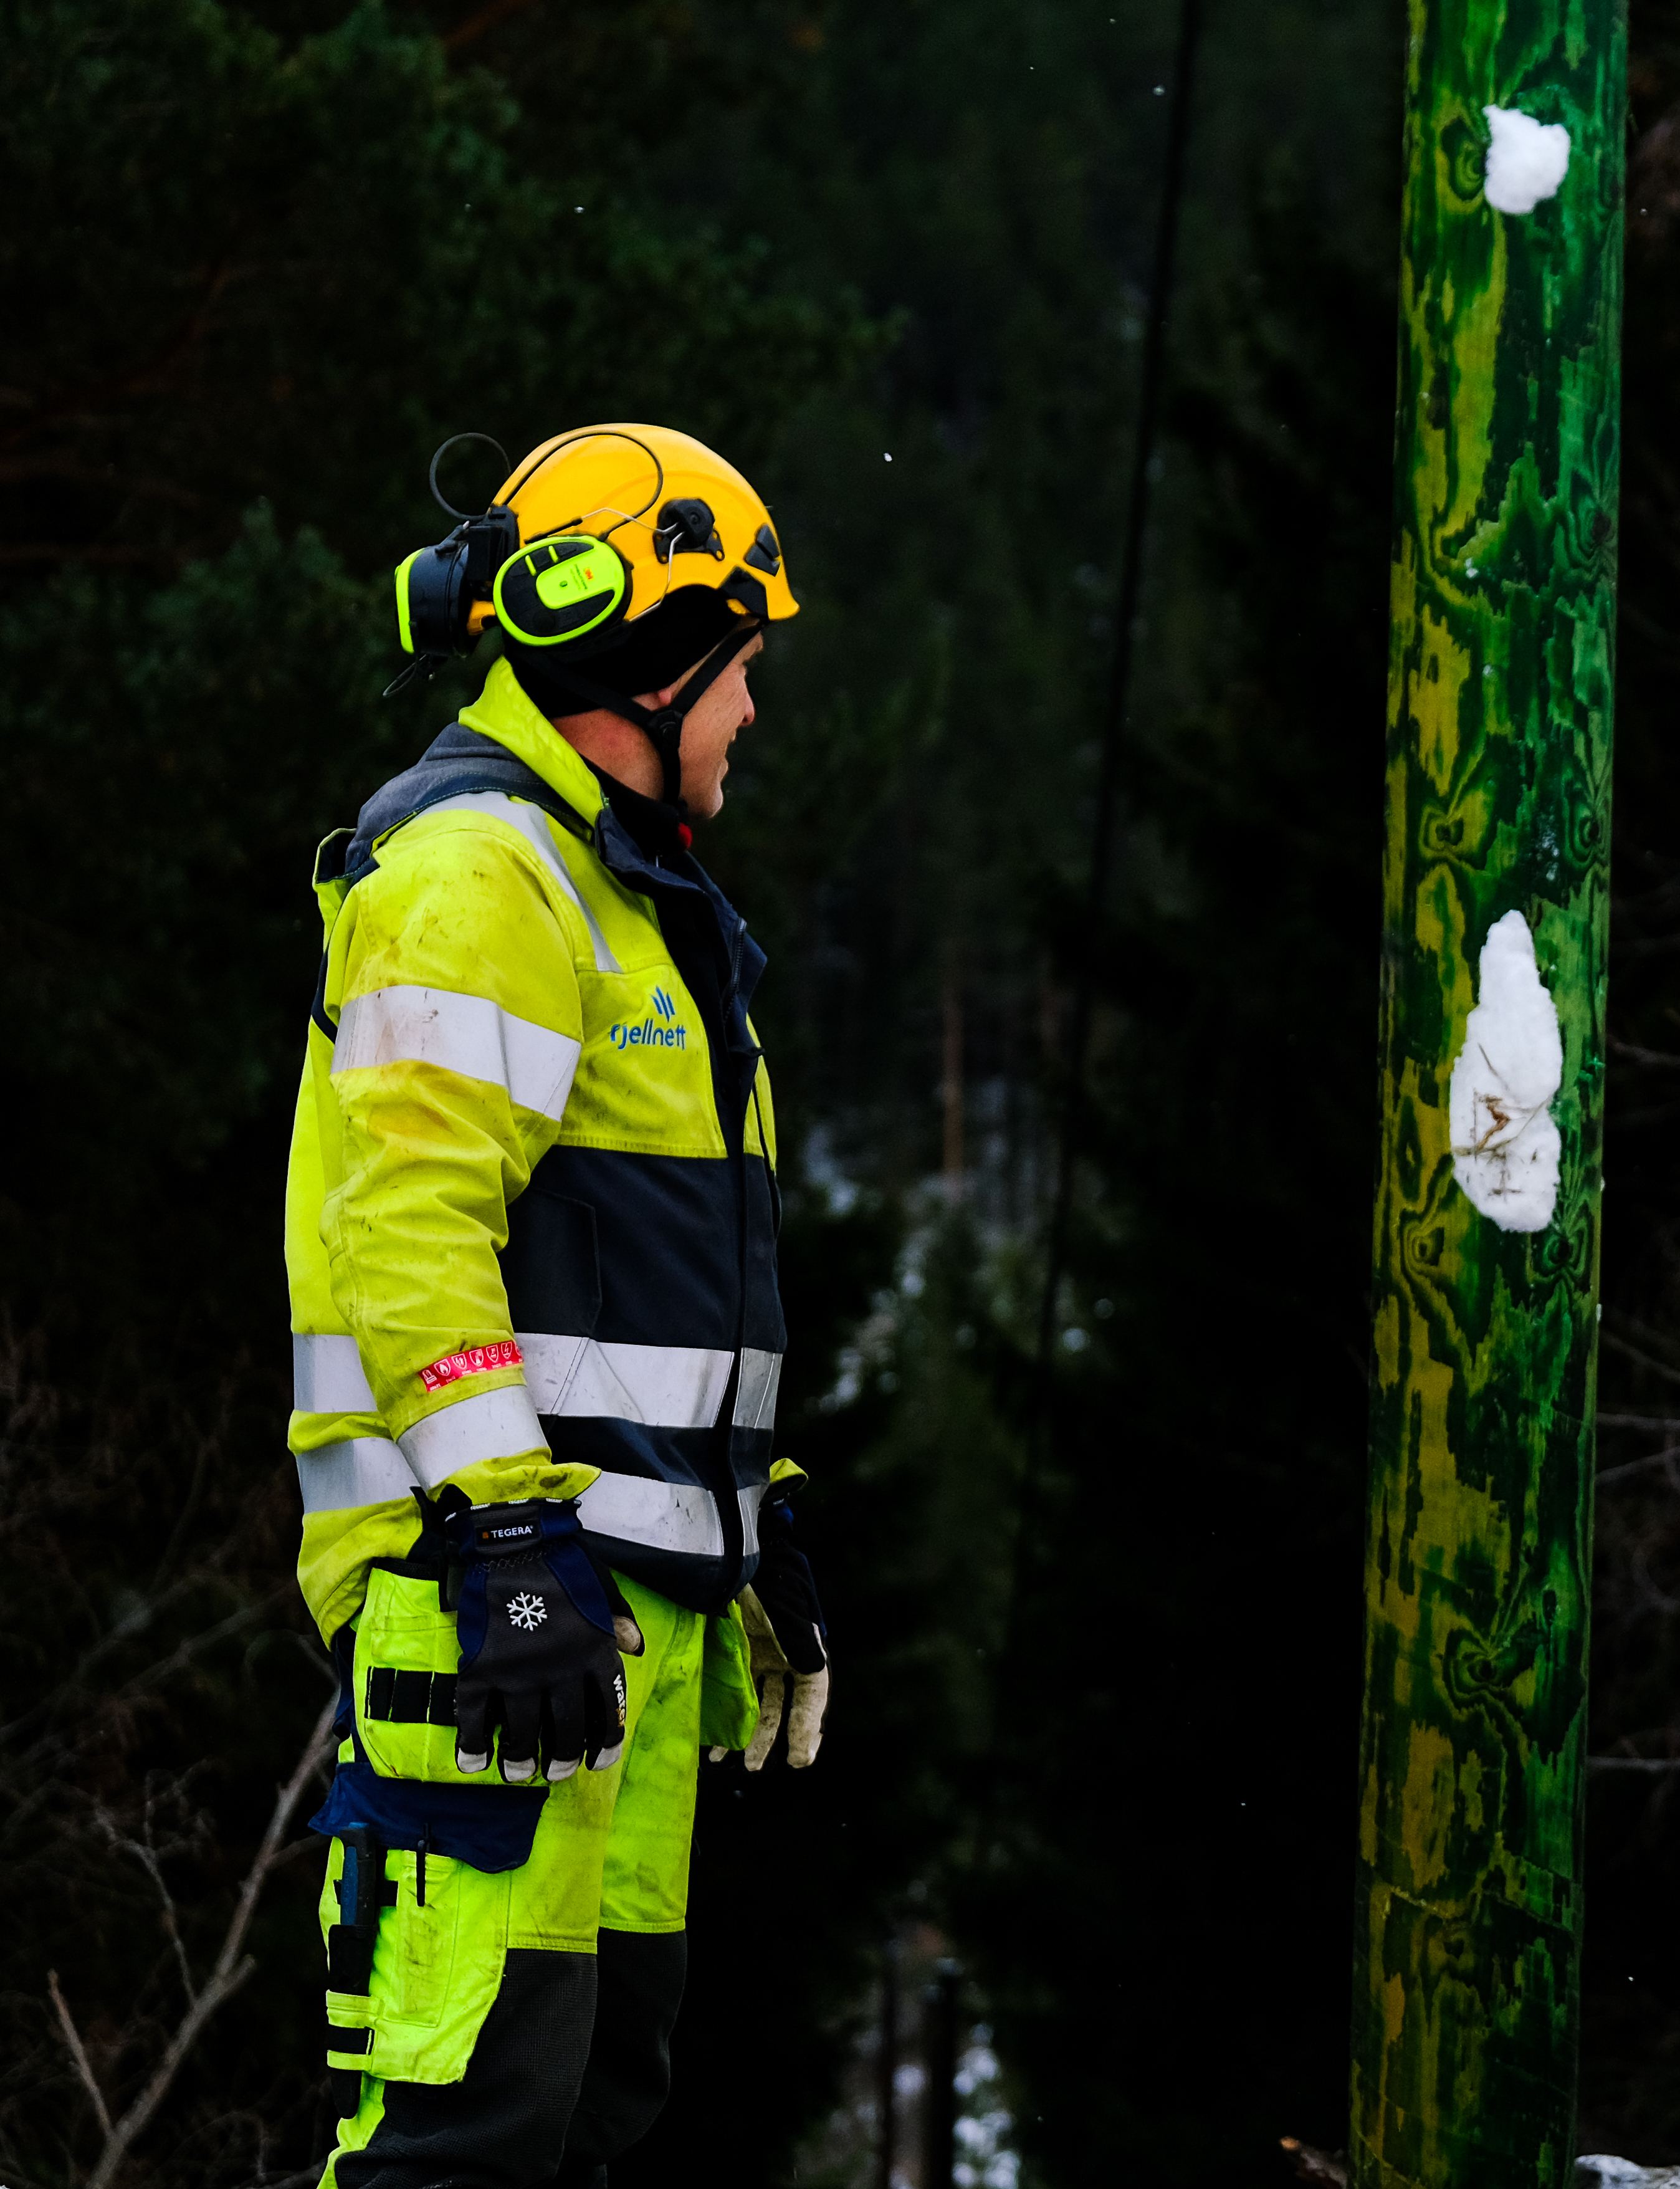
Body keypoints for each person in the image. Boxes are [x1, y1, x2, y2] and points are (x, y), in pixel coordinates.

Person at [286, 423, 831, 2184]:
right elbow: (411, 1228)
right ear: (649, 663)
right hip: (496, 1613)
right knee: (462, 2143)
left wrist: (762, 1530)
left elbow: (655, 1303)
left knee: (589, 2123)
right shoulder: (478, 879)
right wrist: (509, 1537)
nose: (751, 711)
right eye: (740, 668)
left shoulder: (622, 897)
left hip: (612, 1626)